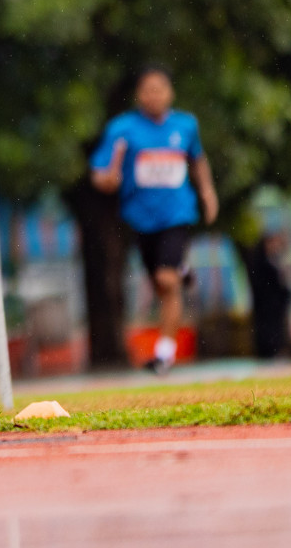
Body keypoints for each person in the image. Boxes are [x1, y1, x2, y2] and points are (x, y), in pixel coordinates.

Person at [90, 66, 219, 374]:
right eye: (148, 89)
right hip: (140, 218)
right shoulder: (122, 129)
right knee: (163, 286)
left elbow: (197, 160)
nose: (154, 95)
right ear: (138, 95)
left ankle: (164, 355)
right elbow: (101, 175)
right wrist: (108, 180)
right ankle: (183, 269)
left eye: (160, 88)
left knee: (165, 279)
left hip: (177, 213)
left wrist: (207, 192)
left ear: (170, 93)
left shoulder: (185, 126)